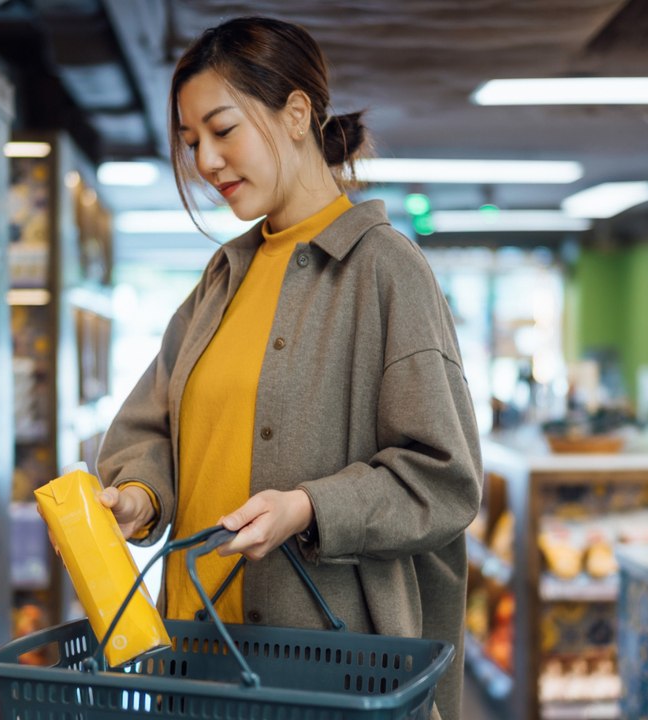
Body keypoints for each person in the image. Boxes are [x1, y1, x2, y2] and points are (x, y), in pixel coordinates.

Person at [94, 16, 482, 719]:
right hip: (196, 656)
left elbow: (444, 478)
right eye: (190, 142)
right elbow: (154, 427)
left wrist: (308, 507)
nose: (206, 161)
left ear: (296, 112)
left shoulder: (386, 272)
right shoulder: (223, 277)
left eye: (222, 129)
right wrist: (139, 497)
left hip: (325, 671)